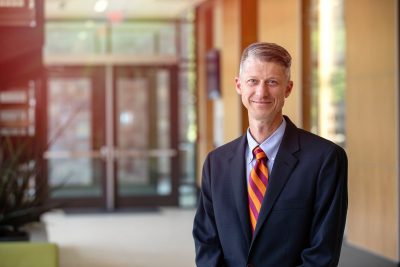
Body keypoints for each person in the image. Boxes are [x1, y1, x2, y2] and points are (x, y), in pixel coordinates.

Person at [192, 42, 348, 267]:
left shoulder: (325, 159)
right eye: (252, 81)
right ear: (239, 86)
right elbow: (207, 241)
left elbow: (322, 251)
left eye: (272, 82)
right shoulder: (216, 163)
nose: (261, 92)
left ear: (288, 88)